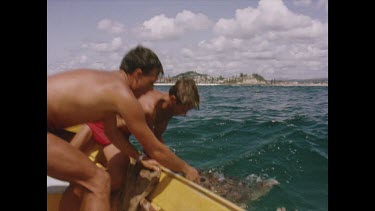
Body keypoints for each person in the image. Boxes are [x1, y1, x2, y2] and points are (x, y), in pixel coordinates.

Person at [47, 45, 200, 211]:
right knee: (99, 181)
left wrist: (139, 157)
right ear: (138, 74)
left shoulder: (108, 85)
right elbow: (155, 149)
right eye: (151, 83)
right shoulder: (123, 95)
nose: (151, 89)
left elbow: (111, 133)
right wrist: (186, 168)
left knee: (88, 180)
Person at [69, 78, 200, 194]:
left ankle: (84, 186)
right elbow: (154, 148)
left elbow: (157, 138)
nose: (185, 114)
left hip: (118, 137)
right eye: (184, 109)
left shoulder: (168, 110)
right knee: (63, 163)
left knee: (116, 180)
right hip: (99, 126)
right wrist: (185, 168)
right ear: (173, 99)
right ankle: (77, 191)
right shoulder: (148, 108)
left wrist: (170, 163)